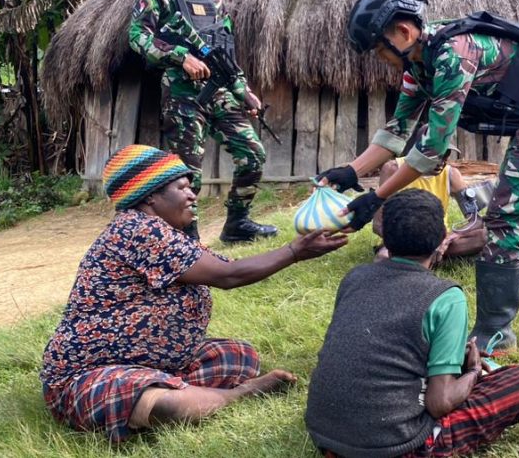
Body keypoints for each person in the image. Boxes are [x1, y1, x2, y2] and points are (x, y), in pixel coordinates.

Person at [318, 0, 519, 353]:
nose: (381, 59)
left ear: (404, 33)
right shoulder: (417, 67)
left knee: (505, 216)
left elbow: (432, 149)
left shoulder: (453, 56)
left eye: (379, 50)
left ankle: (494, 332)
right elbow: (397, 132)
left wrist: (376, 197)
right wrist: (350, 170)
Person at [39, 145, 347, 443]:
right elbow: (229, 276)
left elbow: (229, 265)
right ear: (150, 197)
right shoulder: (138, 230)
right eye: (182, 187)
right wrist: (294, 251)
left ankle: (184, 393)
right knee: (161, 403)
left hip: (152, 364)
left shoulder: (164, 232)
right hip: (85, 377)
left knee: (239, 356)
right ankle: (232, 395)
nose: (192, 194)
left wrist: (292, 251)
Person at [306, 189, 519, 457]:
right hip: (395, 447)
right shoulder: (446, 297)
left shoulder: (355, 277)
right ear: (443, 239)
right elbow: (440, 403)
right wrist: (471, 372)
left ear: (385, 238)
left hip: (326, 436)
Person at [128, 0, 277, 243]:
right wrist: (180, 56)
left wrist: (244, 91)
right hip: (183, 96)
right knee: (187, 175)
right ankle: (188, 239)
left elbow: (226, 51)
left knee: (253, 154)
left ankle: (237, 224)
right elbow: (138, 36)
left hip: (221, 91)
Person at [371, 131, 487, 263]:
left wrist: (449, 238)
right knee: (383, 257)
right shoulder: (393, 169)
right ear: (418, 152)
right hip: (402, 240)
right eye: (436, 156)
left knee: (484, 236)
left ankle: (428, 257)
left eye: (446, 155)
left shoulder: (451, 174)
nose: (442, 162)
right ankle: (430, 259)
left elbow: (476, 220)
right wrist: (409, 242)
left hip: (438, 240)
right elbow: (378, 224)